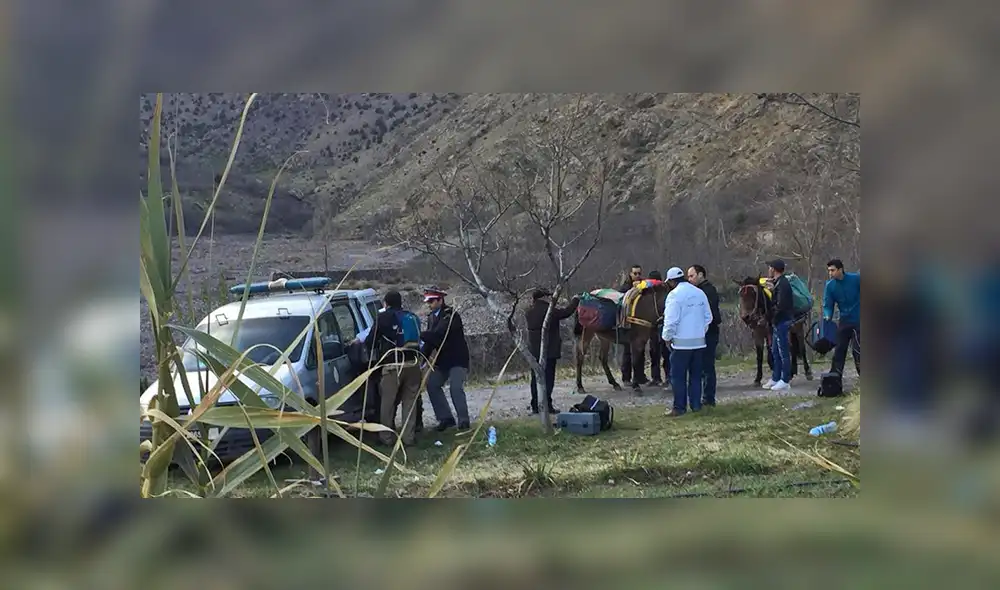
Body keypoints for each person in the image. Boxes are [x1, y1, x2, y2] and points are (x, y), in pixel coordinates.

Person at [361, 291, 422, 446]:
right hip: (413, 364)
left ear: (385, 303)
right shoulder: (412, 317)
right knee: (410, 402)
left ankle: (386, 438)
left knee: (387, 403)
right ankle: (409, 438)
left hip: (392, 366)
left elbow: (370, 341)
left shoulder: (383, 317)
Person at [661, 267, 713, 416]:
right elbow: (708, 317)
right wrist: (699, 332)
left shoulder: (674, 296)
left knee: (678, 377)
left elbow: (670, 321)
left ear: (671, 281)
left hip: (680, 344)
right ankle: (696, 405)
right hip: (699, 343)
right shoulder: (699, 293)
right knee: (696, 376)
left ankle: (679, 407)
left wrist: (667, 337)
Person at [420, 288, 472, 431]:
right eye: (428, 301)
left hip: (457, 359)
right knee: (432, 384)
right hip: (442, 361)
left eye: (431, 301)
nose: (429, 304)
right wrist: (422, 359)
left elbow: (438, 335)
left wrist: (419, 334)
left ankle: (463, 420)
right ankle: (446, 418)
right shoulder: (431, 317)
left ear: (440, 300)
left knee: (455, 388)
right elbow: (431, 342)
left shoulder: (451, 315)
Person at [525, 288, 580, 414]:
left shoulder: (529, 312)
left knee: (535, 379)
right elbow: (566, 312)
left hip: (534, 351)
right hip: (549, 351)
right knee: (548, 379)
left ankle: (535, 405)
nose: (551, 299)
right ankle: (546, 405)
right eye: (549, 296)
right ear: (543, 297)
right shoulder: (549, 311)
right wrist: (575, 300)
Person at [688, 265, 722, 406]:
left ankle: (709, 398)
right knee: (701, 367)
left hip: (709, 332)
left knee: (707, 366)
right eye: (688, 276)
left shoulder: (708, 291)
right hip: (700, 332)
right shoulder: (698, 290)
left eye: (692, 276)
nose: (689, 279)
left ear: (701, 275)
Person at [823, 258, 861, 376]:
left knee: (858, 349)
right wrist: (827, 315)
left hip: (859, 320)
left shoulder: (856, 279)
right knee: (839, 349)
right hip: (844, 320)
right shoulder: (830, 286)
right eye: (829, 271)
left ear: (840, 270)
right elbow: (828, 304)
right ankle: (835, 377)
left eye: (833, 270)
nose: (830, 273)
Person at [763, 259, 794, 391]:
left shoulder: (783, 284)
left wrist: (771, 316)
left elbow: (780, 305)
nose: (768, 270)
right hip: (778, 322)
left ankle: (785, 380)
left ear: (774, 269)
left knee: (783, 352)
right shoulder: (779, 283)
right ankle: (776, 377)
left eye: (770, 268)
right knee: (775, 351)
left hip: (782, 321)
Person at [618, 264, 648, 386]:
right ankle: (626, 377)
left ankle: (640, 376)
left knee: (640, 351)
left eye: (639, 273)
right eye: (635, 273)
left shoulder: (644, 285)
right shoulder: (625, 286)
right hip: (628, 322)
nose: (637, 276)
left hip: (640, 323)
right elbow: (621, 299)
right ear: (630, 274)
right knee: (628, 351)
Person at [645, 270, 670, 387]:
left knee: (665, 353)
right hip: (654, 327)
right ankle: (657, 377)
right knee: (655, 352)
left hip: (663, 325)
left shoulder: (666, 292)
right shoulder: (648, 294)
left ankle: (667, 377)